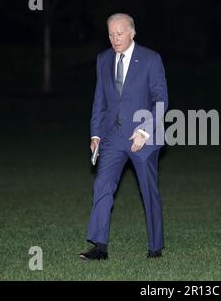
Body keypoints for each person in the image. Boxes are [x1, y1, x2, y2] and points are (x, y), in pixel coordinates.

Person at [79, 13, 168, 260]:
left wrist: (144, 131)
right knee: (102, 185)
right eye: (110, 34)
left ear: (132, 32)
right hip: (113, 137)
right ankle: (99, 246)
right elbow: (100, 100)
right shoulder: (103, 59)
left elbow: (161, 100)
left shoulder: (151, 59)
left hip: (143, 137)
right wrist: (95, 134)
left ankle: (155, 248)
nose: (114, 39)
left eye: (119, 33)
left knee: (148, 190)